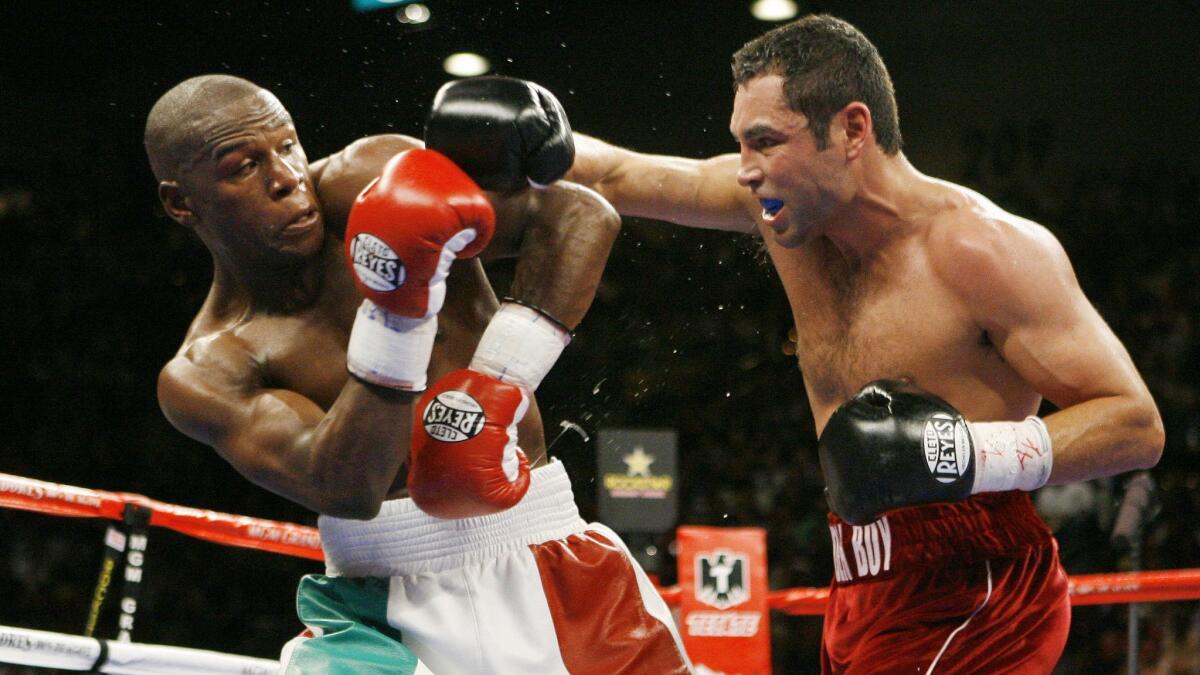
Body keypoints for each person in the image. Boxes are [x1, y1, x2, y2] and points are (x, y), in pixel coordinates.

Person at [439, 13, 1165, 673]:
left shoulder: (986, 252)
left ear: (853, 130)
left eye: (765, 142)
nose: (747, 167)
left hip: (978, 591)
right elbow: (624, 173)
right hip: (862, 582)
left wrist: (967, 454)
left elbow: (1135, 423)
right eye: (740, 144)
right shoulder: (782, 216)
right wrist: (530, 137)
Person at [145, 74, 691, 674]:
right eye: (242, 166)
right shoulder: (209, 370)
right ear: (181, 203)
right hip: (378, 616)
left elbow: (579, 216)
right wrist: (398, 315)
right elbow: (343, 486)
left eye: (288, 146)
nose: (285, 178)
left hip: (553, 563)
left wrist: (493, 387)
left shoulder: (370, 178)